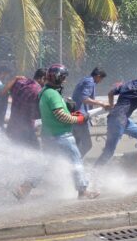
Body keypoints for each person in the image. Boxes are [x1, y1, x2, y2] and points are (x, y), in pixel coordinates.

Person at [33, 64, 98, 199]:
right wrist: (80, 118)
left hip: (49, 135)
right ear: (57, 77)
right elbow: (61, 116)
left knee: (46, 163)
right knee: (76, 161)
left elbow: (55, 113)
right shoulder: (53, 94)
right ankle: (83, 191)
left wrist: (71, 110)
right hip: (61, 136)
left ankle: (24, 187)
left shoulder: (44, 91)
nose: (65, 80)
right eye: (63, 77)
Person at [70, 67, 110, 157]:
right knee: (87, 145)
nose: (101, 81)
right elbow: (85, 98)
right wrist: (101, 103)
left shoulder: (86, 80)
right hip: (80, 116)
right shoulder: (90, 82)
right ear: (98, 76)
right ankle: (75, 163)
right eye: (101, 79)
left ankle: (71, 163)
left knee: (77, 143)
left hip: (77, 115)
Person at [6, 69, 47, 149]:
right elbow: (34, 115)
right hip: (25, 130)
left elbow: (9, 91)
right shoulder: (38, 91)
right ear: (42, 78)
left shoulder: (19, 82)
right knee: (35, 152)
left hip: (11, 126)